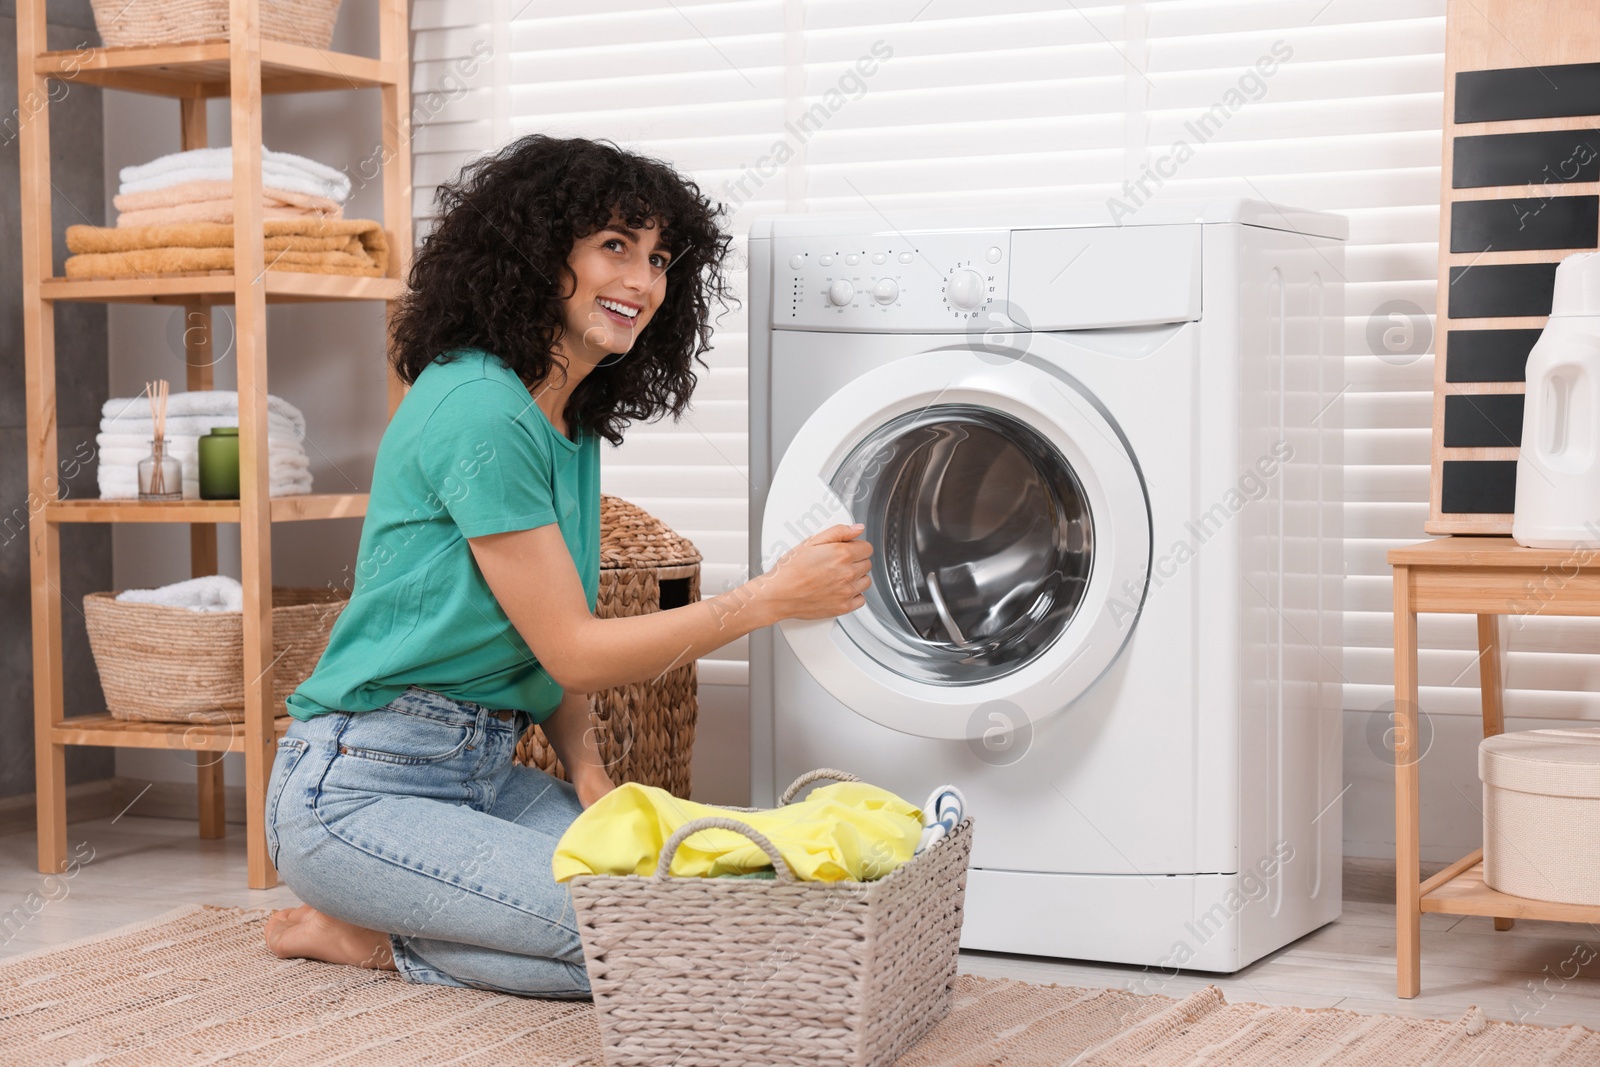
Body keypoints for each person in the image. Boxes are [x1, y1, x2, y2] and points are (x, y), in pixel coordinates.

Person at [261, 135, 872, 997]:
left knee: (707, 906)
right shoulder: (478, 406)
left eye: (659, 259)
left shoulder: (567, 420)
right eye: (614, 246)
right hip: (355, 793)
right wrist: (770, 598)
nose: (642, 280)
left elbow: (539, 641)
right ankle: (369, 938)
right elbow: (576, 650)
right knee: (660, 954)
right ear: (538, 253)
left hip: (482, 776)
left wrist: (586, 770)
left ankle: (397, 918)